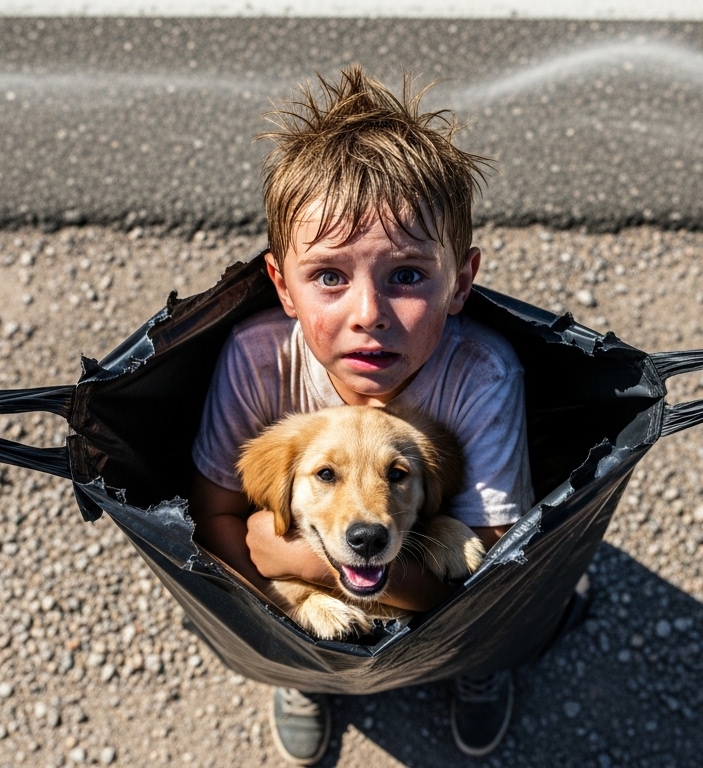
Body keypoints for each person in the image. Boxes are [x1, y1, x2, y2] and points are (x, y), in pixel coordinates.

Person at [189, 65, 533, 764]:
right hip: (300, 594)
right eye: (329, 276)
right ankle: (305, 667)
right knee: (301, 631)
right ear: (281, 285)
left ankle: (475, 669)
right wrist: (288, 597)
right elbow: (215, 519)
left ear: (460, 281)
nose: (369, 315)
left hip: (426, 595)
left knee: (496, 622)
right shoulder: (258, 361)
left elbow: (486, 573)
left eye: (406, 274)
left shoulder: (482, 375)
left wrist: (302, 560)